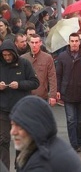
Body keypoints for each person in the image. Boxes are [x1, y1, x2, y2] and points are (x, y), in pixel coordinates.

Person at [10, 95, 81, 171]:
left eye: (20, 127)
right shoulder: (52, 146)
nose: (13, 132)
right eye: (12, 125)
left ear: (35, 127)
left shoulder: (42, 162)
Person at [0, 40, 39, 170]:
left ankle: (20, 167)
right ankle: (4, 168)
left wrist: (20, 84)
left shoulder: (24, 64)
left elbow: (35, 82)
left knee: (20, 141)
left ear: (14, 53)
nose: (7, 58)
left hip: (20, 109)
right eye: (4, 55)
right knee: (3, 140)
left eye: (9, 55)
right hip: (3, 109)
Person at [56, 33, 81, 153]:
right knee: (71, 120)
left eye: (76, 41)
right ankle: (74, 144)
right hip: (67, 92)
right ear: (69, 42)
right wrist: (57, 90)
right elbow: (58, 75)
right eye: (72, 41)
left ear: (79, 42)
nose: (74, 43)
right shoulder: (62, 56)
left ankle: (79, 141)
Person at [21, 34, 57, 106]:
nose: (34, 45)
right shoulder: (23, 58)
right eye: (32, 42)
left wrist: (53, 96)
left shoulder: (47, 58)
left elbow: (52, 77)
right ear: (28, 43)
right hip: (26, 95)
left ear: (40, 43)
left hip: (42, 95)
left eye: (36, 42)